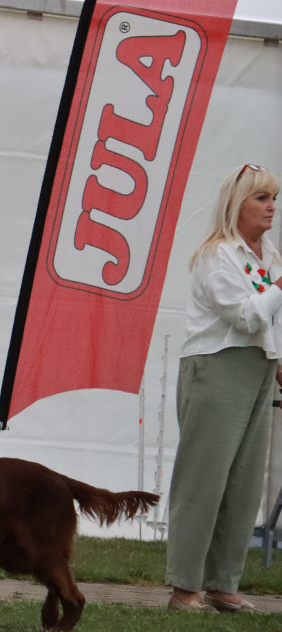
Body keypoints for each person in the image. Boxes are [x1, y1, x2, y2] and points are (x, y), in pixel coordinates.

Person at [166, 164, 280, 614]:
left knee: (245, 482)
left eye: (274, 198)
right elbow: (247, 316)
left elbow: (270, 321)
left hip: (258, 367)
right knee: (204, 479)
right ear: (237, 205)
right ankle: (184, 587)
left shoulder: (268, 255)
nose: (272, 207)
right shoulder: (217, 255)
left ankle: (222, 585)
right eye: (262, 198)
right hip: (216, 367)